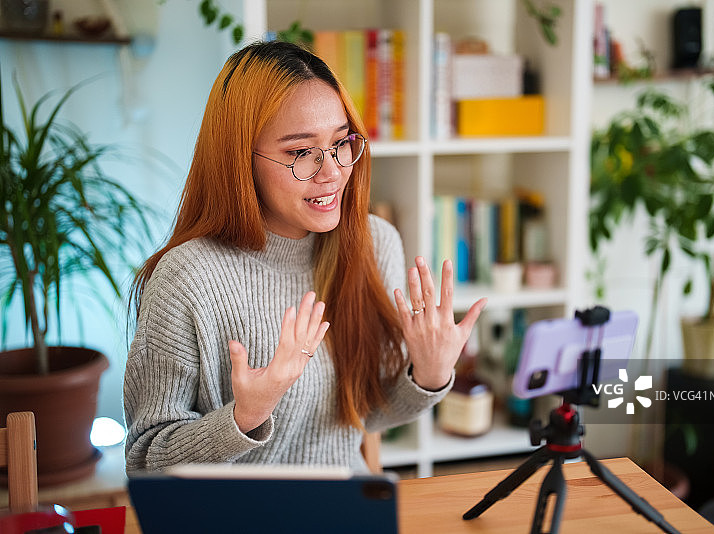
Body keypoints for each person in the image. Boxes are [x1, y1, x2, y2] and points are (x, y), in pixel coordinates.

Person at [124, 40, 487, 473]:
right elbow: (144, 457)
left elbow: (368, 413)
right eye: (300, 152)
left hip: (341, 507)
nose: (332, 171)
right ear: (241, 160)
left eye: (341, 143)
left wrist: (428, 374)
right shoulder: (188, 278)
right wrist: (244, 418)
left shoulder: (374, 243)